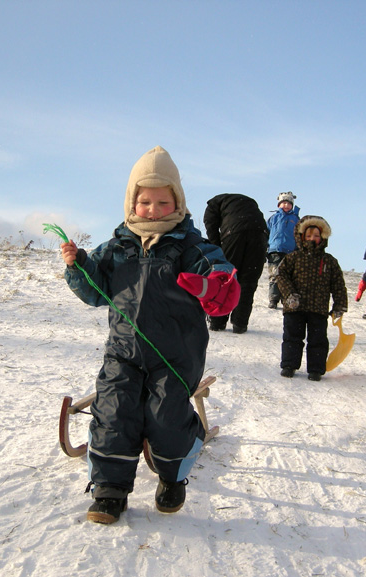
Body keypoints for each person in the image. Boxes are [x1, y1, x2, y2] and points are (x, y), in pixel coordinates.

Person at [61, 146, 239, 524]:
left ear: (178, 203)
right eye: (145, 202)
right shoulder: (117, 247)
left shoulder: (191, 248)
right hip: (123, 352)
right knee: (114, 412)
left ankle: (172, 476)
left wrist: (216, 285)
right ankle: (109, 490)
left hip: (175, 356)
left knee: (165, 417)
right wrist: (79, 267)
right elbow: (96, 291)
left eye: (163, 202)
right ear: (132, 202)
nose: (154, 210)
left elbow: (219, 279)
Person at [276, 215, 348, 381]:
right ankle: (289, 365)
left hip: (318, 308)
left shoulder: (329, 261)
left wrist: (339, 305)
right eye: (308, 235)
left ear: (323, 238)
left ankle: (316, 369)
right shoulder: (293, 258)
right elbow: (281, 276)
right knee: (292, 337)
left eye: (316, 235)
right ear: (301, 237)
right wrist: (289, 294)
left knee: (318, 340)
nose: (312, 239)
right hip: (294, 306)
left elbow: (338, 284)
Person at [203, 193, 269, 333]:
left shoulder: (212, 205)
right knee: (249, 281)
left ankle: (217, 321)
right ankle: (240, 323)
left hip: (234, 232)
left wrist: (218, 249)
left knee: (225, 277)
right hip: (260, 232)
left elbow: (211, 227)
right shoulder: (250, 202)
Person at [266, 192, 301, 308]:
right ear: (279, 205)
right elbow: (266, 232)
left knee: (287, 275)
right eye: (284, 203)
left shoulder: (295, 219)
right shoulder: (273, 218)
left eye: (288, 203)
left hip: (290, 252)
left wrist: (298, 249)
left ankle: (286, 298)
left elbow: (299, 235)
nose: (286, 205)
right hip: (275, 250)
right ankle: (273, 298)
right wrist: (265, 246)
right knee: (274, 274)